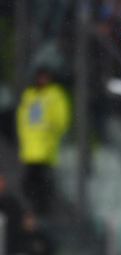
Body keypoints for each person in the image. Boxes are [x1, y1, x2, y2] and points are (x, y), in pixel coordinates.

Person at [16, 68, 71, 214]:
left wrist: (52, 133)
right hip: (30, 147)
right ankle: (36, 209)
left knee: (40, 182)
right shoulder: (30, 95)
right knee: (31, 182)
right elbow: (22, 119)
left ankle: (41, 210)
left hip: (46, 147)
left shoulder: (54, 94)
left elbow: (61, 119)